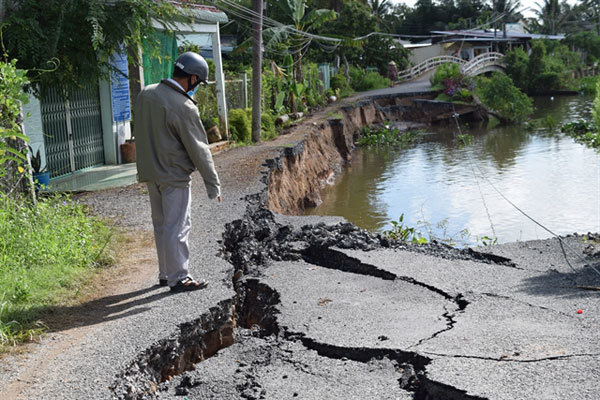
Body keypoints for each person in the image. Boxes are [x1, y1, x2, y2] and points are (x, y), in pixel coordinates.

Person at [134, 52, 221, 292]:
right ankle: (179, 277)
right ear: (192, 78)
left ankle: (165, 273)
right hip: (174, 175)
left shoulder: (147, 94)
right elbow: (199, 149)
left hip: (151, 173)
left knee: (161, 225)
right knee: (178, 226)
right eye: (199, 83)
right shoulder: (183, 106)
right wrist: (213, 184)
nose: (198, 88)